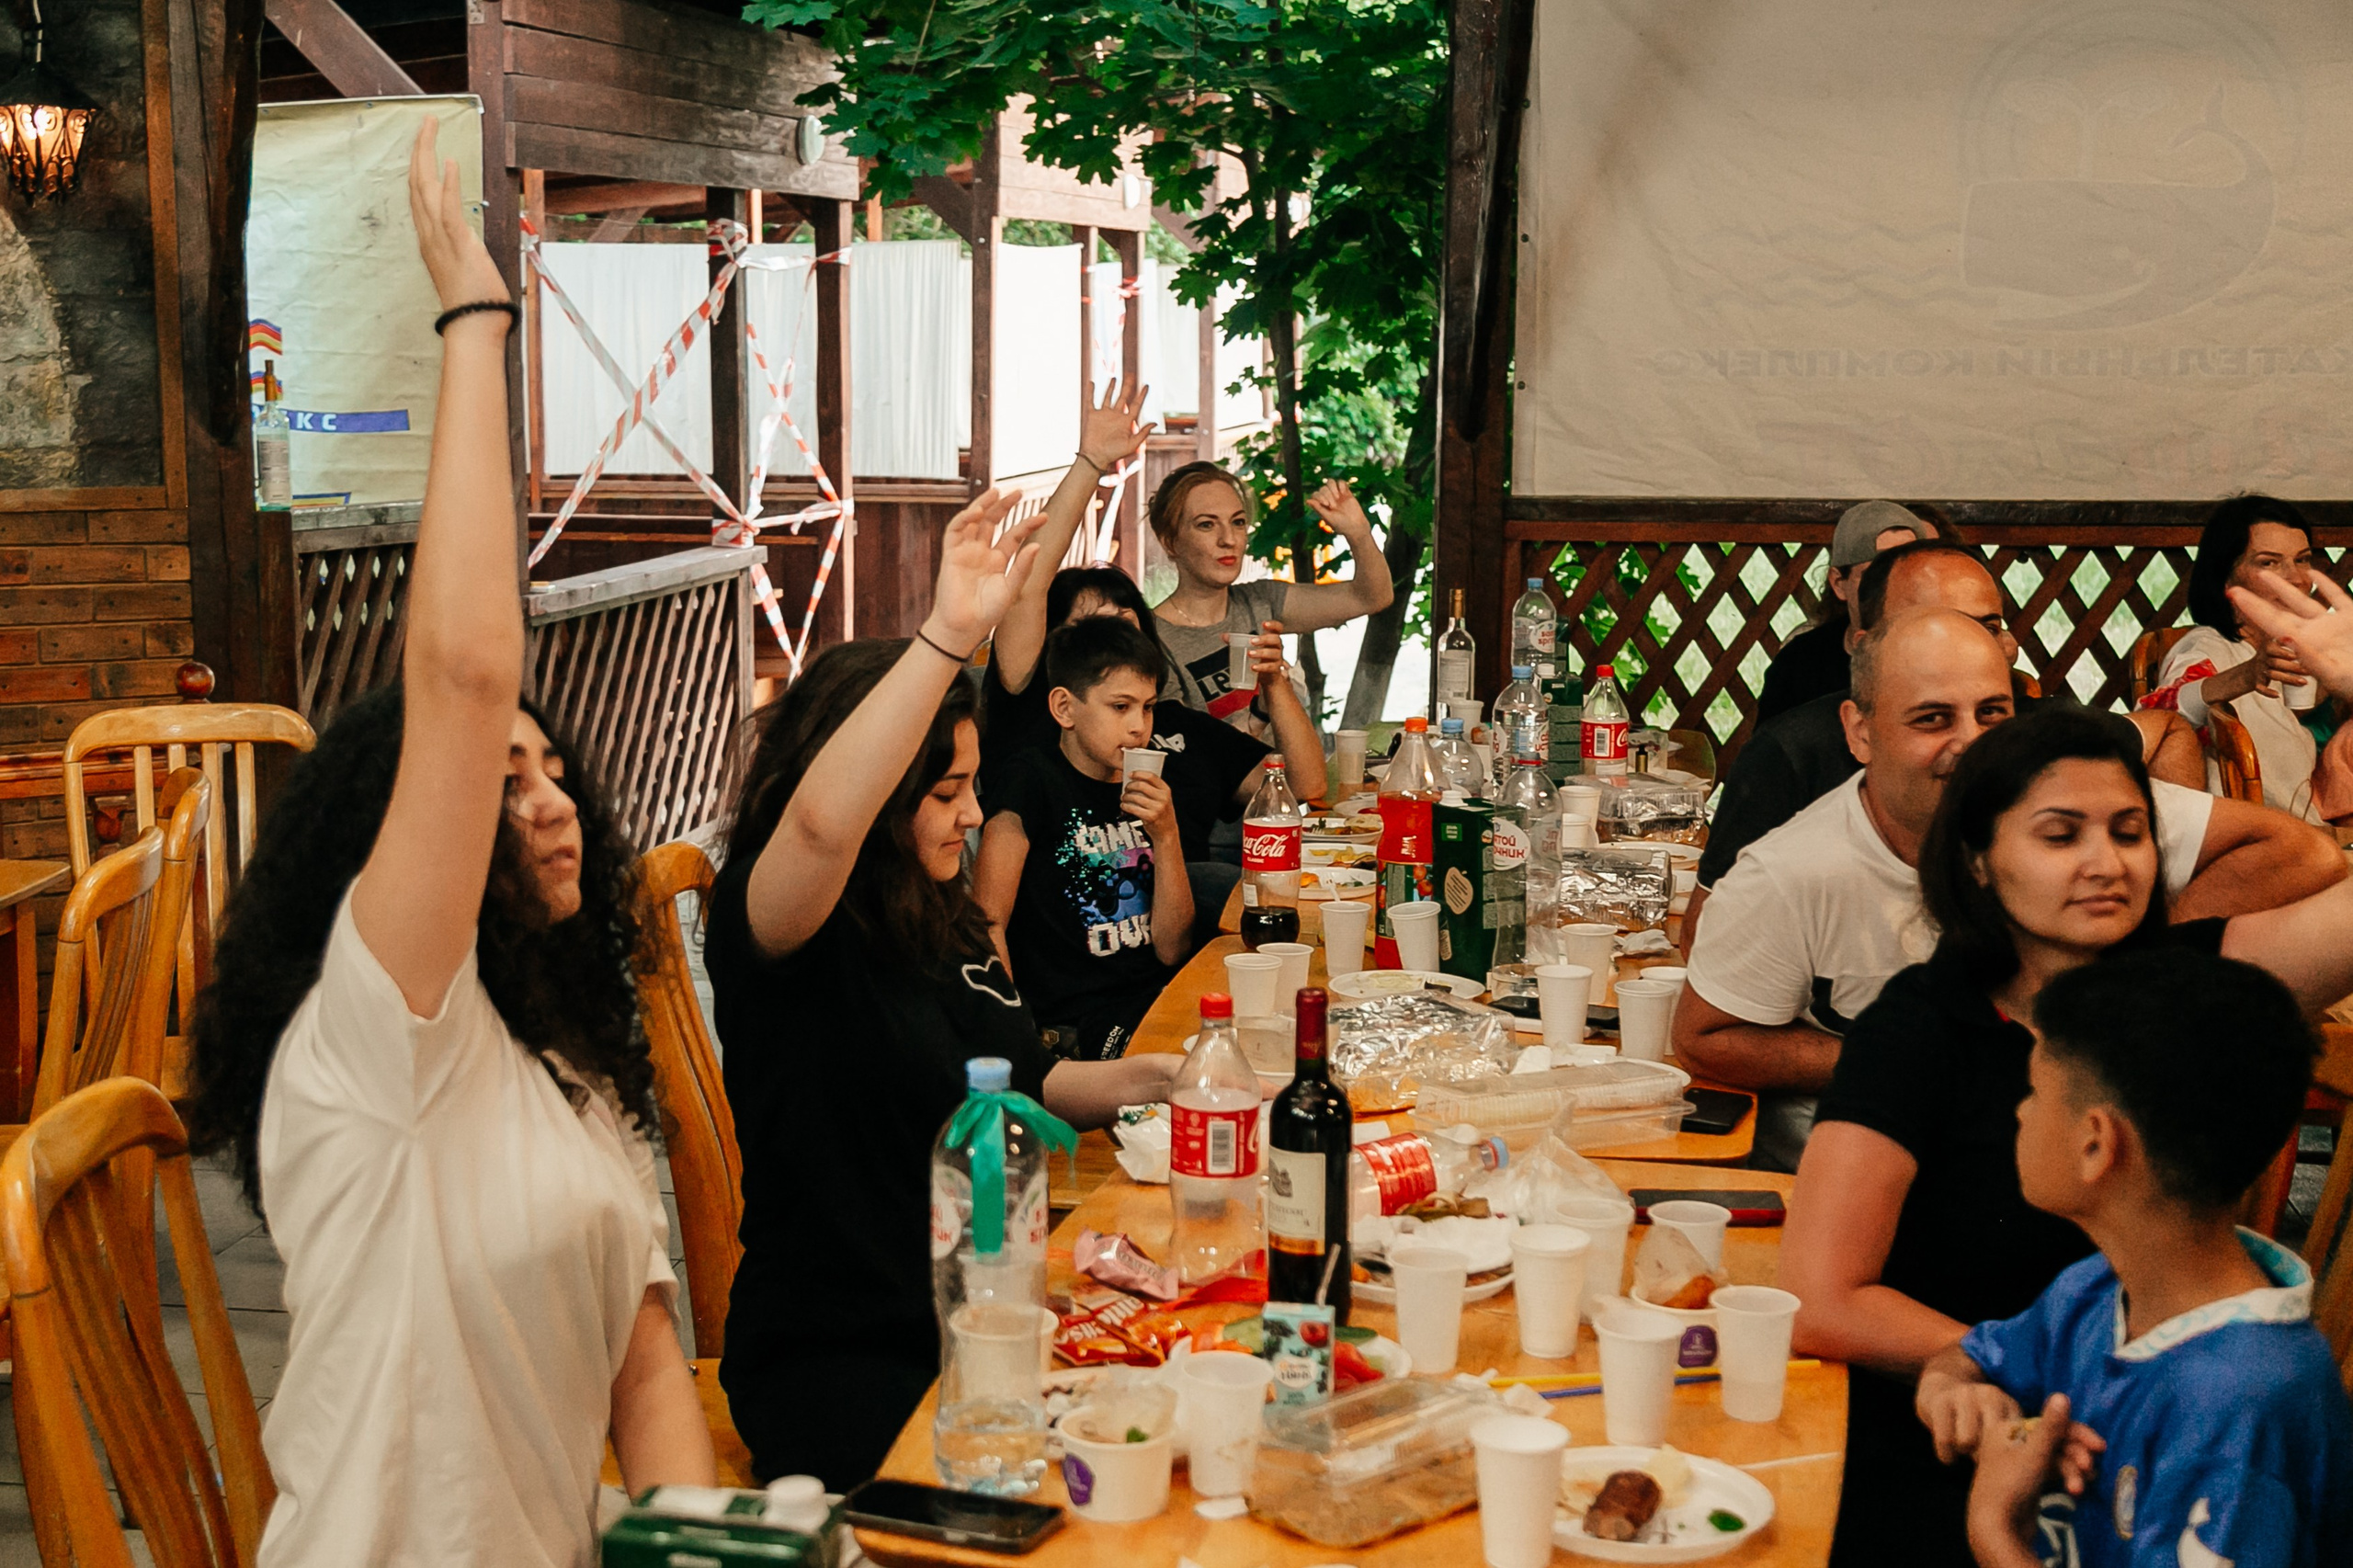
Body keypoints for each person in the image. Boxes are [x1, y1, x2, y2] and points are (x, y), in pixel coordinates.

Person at [182, 121, 714, 1565]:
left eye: (554, 774)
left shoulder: (565, 1056)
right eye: (502, 782)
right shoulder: (385, 1026)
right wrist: (477, 319)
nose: (547, 799)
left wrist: (705, 1550)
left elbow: (646, 1371)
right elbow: (468, 678)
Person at [1779, 705, 2353, 1566]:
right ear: (1979, 859)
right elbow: (1823, 1299)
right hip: (1979, 1440)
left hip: (2135, 1441)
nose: (2105, 863)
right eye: (2060, 835)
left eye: (2130, 832)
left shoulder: (2188, 999)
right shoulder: (1923, 1029)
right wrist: (1993, 1382)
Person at [704, 491, 1178, 1491]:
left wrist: (1178, 1079)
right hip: (846, 1360)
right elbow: (821, 827)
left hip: (979, 1319)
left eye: (971, 787)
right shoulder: (782, 922)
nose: (970, 816)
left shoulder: (937, 911)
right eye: (944, 791)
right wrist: (948, 636)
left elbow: (1035, 1081)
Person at [1674, 608, 2339, 1169]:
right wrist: (1966, 1064)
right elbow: (1708, 1041)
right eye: (1932, 719)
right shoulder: (1891, 1001)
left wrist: (2144, 966)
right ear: (1860, 731)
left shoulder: (2087, 831)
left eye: (1993, 713)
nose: (2102, 861)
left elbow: (2313, 869)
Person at [1915, 950, 2353, 1567]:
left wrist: (1994, 1528)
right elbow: (1968, 1356)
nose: (2021, 1111)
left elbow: (1996, 1528)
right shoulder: (2096, 1287)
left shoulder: (2242, 1404)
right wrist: (1956, 1392)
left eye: (2035, 1092)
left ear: (2096, 1143)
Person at [1695, 539, 2205, 903]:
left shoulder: (2043, 734)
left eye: (1989, 627)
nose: (1970, 647)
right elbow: (1712, 936)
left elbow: (2169, 730)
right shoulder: (1789, 754)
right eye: (1936, 627)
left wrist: (2160, 911)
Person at [972, 617, 1195, 1060]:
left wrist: (1167, 836)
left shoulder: (1146, 787)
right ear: (1064, 707)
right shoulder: (1030, 782)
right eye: (1120, 707)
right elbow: (987, 922)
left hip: (1153, 997)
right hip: (1073, 1021)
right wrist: (1015, 1037)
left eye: (1148, 707)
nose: (1139, 726)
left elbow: (1173, 948)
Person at [1148, 461, 1393, 728]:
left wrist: (1358, 533)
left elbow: (1373, 598)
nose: (1228, 539)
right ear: (1170, 542)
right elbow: (1185, 749)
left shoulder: (1260, 601)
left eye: (1238, 522)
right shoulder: (1153, 640)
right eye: (1206, 524)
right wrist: (1263, 710)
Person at [2140, 494, 2326, 822]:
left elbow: (2291, 710)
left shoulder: (2286, 651)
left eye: (2302, 559)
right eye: (2269, 563)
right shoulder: (2206, 648)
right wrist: (2246, 675)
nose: (2296, 579)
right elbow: (2157, 716)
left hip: (2311, 832)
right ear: (2226, 577)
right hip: (2246, 840)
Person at [1754, 499, 1925, 723]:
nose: (1895, 586)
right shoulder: (1799, 664)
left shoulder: (1949, 657)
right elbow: (1770, 743)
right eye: (1875, 575)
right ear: (1839, 583)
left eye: (1909, 572)